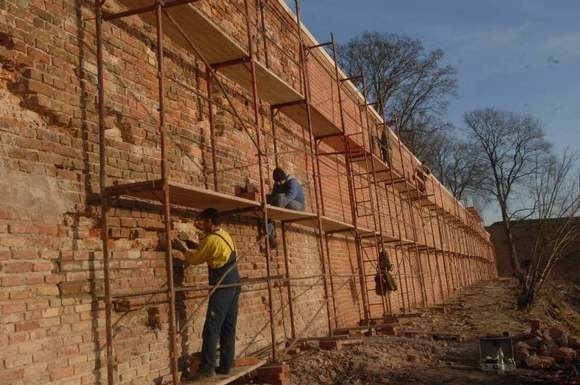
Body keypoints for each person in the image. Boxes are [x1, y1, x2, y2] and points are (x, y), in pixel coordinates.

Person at [172, 208, 240, 381]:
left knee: (211, 328)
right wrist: (194, 245)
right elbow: (210, 250)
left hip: (223, 285)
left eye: (201, 221)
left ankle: (207, 368)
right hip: (234, 283)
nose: (198, 223)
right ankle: (225, 365)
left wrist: (180, 249)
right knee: (228, 326)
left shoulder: (210, 240)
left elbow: (194, 260)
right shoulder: (224, 234)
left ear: (210, 221)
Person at [264, 168, 305, 248]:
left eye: (280, 181)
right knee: (269, 208)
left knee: (279, 198)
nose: (279, 183)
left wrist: (277, 205)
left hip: (297, 204)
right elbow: (274, 196)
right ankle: (271, 236)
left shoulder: (292, 182)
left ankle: (274, 211)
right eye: (277, 182)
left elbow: (290, 196)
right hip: (283, 204)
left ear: (284, 178)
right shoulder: (277, 184)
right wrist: (270, 202)